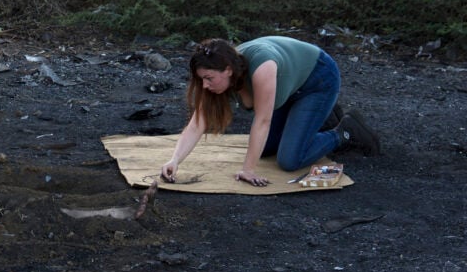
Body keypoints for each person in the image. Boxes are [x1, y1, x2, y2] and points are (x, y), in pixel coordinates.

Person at [161, 36, 380, 186]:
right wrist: (175, 160)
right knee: (263, 149)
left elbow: (263, 120)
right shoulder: (220, 77)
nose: (205, 85)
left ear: (228, 70)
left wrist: (248, 170)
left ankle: (344, 131)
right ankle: (317, 118)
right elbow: (197, 122)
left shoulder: (261, 69)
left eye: (209, 78)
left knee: (290, 159)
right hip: (286, 89)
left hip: (318, 79)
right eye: (202, 79)